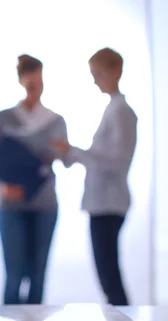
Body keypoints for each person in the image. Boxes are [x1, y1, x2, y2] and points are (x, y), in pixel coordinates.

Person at [51, 48, 136, 306]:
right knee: (108, 276)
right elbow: (103, 156)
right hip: (103, 203)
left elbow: (116, 160)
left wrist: (74, 151)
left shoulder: (122, 111)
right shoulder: (113, 108)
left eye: (97, 74)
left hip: (109, 204)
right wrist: (71, 154)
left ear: (116, 72)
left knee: (109, 277)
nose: (95, 81)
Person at [0, 55, 72, 305]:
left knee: (38, 276)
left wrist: (64, 150)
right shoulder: (4, 119)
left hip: (44, 206)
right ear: (21, 82)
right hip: (11, 206)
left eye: (40, 83)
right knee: (13, 278)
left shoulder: (56, 121)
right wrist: (2, 188)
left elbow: (66, 160)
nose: (36, 89)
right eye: (31, 84)